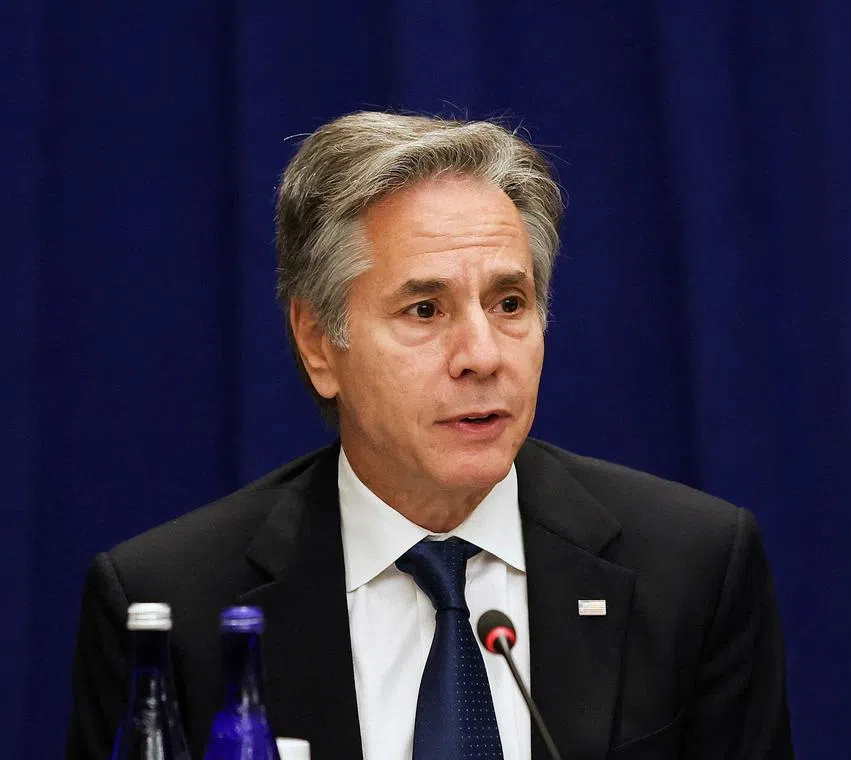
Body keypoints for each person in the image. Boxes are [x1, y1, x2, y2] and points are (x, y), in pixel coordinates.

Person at [66, 111, 794, 760]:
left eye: (510, 302)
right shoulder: (173, 602)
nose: (482, 354)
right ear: (319, 343)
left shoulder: (693, 569)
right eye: (424, 310)